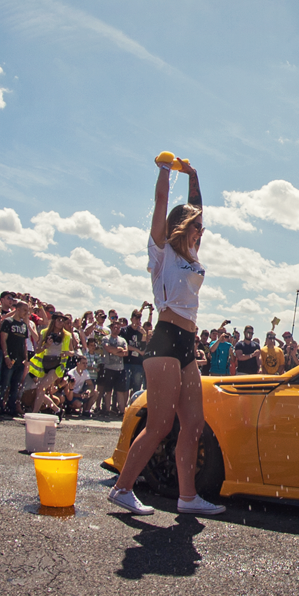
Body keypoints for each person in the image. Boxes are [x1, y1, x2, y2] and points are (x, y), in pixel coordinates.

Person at [108, 157, 225, 516]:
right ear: (182, 226)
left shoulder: (192, 253)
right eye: (195, 226)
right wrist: (164, 169)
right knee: (159, 424)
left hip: (187, 342)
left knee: (193, 424)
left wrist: (194, 175)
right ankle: (122, 488)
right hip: (164, 340)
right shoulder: (162, 253)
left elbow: (198, 207)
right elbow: (161, 202)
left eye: (201, 227)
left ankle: (187, 497)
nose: (201, 230)